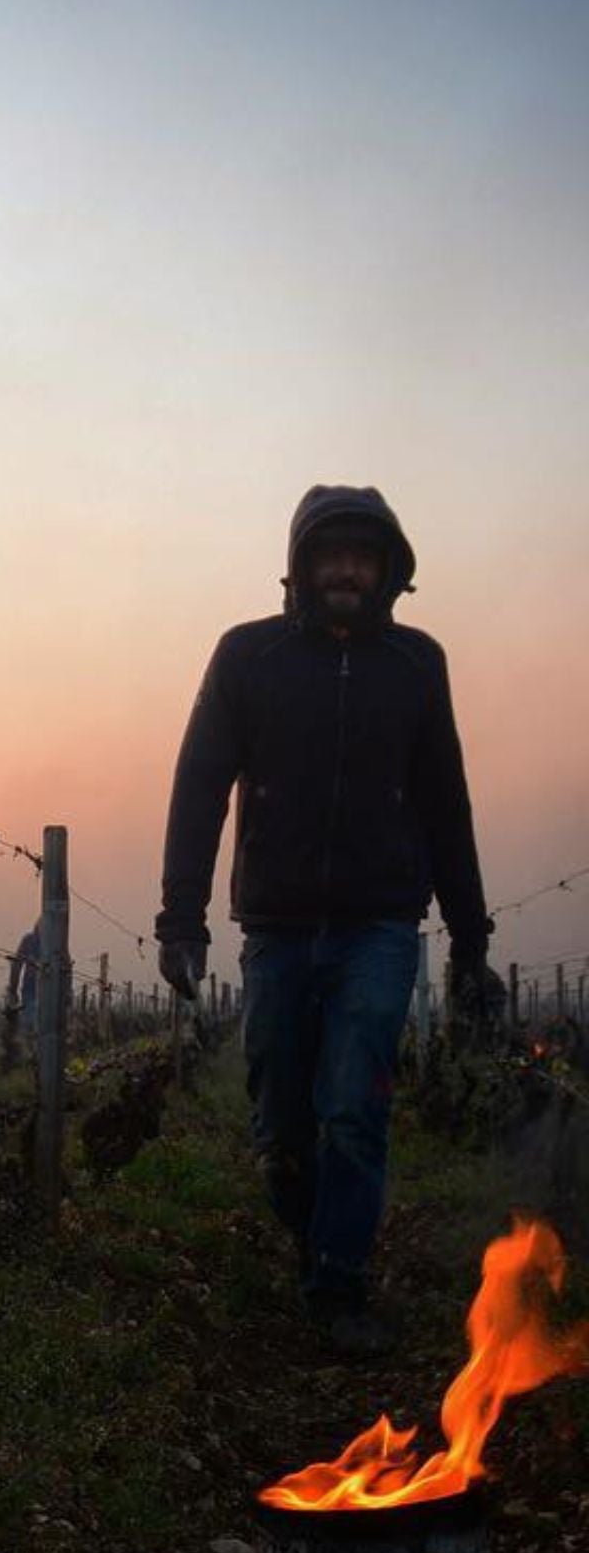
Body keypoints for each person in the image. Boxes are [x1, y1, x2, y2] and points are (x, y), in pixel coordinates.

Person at [155, 484, 490, 1355]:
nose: (346, 569)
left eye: (363, 556)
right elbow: (198, 788)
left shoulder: (419, 666)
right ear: (300, 568)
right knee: (282, 1124)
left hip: (380, 927)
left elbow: (446, 804)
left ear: (388, 571)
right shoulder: (246, 657)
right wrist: (180, 919)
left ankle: (339, 1283)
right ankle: (312, 1233)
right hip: (275, 927)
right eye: (329, 555)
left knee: (355, 1103)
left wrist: (472, 940)